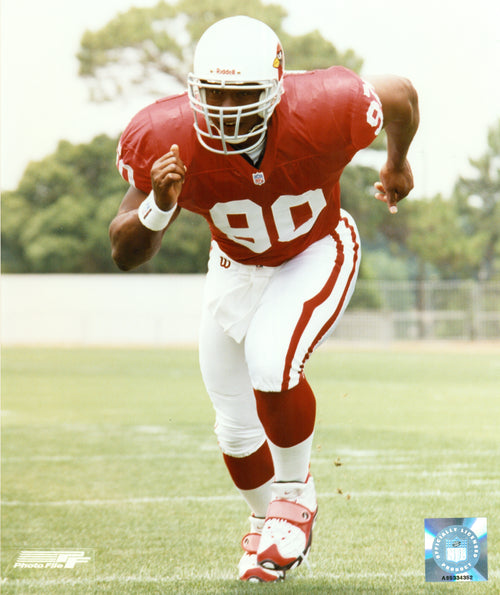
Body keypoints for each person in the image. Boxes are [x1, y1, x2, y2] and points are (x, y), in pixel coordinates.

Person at [110, 15, 419, 582]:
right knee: (233, 426)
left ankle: (295, 497)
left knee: (271, 361)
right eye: (214, 93)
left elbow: (400, 95)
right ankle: (264, 526)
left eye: (242, 94)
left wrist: (396, 160)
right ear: (193, 88)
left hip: (315, 248)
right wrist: (157, 203)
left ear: (276, 89)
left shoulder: (329, 104)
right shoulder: (164, 134)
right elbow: (126, 251)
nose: (225, 108)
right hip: (233, 266)